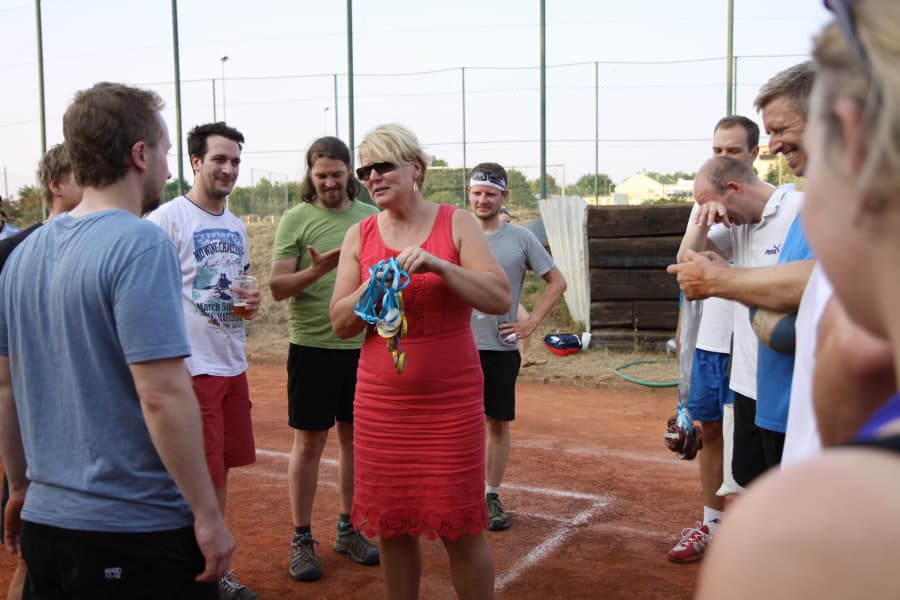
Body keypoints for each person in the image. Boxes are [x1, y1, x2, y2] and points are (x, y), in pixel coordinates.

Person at [697, 1, 900, 595]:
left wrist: (730, 287)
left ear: (851, 135)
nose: (774, 147)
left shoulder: (804, 532)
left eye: (781, 135)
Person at [0, 81, 233, 598]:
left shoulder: (21, 256)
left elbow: (6, 388)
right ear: (140, 154)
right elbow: (162, 393)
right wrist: (207, 514)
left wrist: (17, 488)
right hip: (134, 530)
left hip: (45, 523)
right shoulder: (140, 243)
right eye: (166, 152)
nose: (168, 170)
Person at [330, 123, 510, 599]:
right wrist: (371, 287)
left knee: (461, 529)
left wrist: (439, 266)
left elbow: (498, 296)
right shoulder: (359, 235)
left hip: (449, 405)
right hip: (382, 406)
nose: (372, 177)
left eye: (383, 166)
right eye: (365, 171)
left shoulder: (456, 223)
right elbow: (340, 324)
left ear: (416, 169)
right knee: (392, 528)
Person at [146, 121, 259, 600]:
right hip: (194, 369)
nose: (229, 169)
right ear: (195, 162)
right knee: (192, 479)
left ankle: (213, 571)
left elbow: (235, 289)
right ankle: (190, 575)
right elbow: (149, 298)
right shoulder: (167, 221)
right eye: (219, 159)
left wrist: (249, 303)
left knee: (220, 471)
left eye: (235, 161)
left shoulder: (235, 225)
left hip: (231, 362)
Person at [268, 136, 380, 582]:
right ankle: (301, 538)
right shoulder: (295, 219)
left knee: (354, 442)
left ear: (350, 172)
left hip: (363, 349)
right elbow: (277, 288)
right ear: (310, 176)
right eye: (321, 175)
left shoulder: (371, 218)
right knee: (310, 444)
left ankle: (348, 529)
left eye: (336, 174)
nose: (330, 182)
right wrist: (315, 271)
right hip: (312, 348)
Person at [670, 155, 808, 486]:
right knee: (750, 481)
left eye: (711, 205)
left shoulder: (798, 209)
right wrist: (702, 222)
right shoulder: (740, 223)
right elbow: (685, 261)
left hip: (789, 384)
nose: (718, 217)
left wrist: (727, 277)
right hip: (746, 380)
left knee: (789, 488)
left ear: (733, 188)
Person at [667, 115, 758, 563]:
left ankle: (763, 532)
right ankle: (712, 525)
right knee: (711, 431)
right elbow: (684, 261)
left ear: (754, 155)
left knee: (759, 439)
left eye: (733, 151)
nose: (723, 158)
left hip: (756, 345)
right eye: (717, 150)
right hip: (711, 341)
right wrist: (703, 220)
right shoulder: (703, 204)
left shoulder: (774, 206)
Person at [0, 143, 83, 600]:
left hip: (83, 435)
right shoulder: (14, 253)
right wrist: (17, 481)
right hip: (39, 434)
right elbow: (5, 376)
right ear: (56, 185)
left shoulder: (103, 244)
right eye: (82, 177)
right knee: (33, 563)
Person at [468, 162, 566, 532]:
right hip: (458, 348)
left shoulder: (521, 238)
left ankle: (490, 494)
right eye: (477, 193)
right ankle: (457, 492)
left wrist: (531, 322)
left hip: (499, 348)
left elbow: (557, 282)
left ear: (503, 196)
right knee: (455, 423)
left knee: (496, 422)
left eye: (490, 194)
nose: (483, 200)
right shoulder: (456, 232)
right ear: (469, 194)